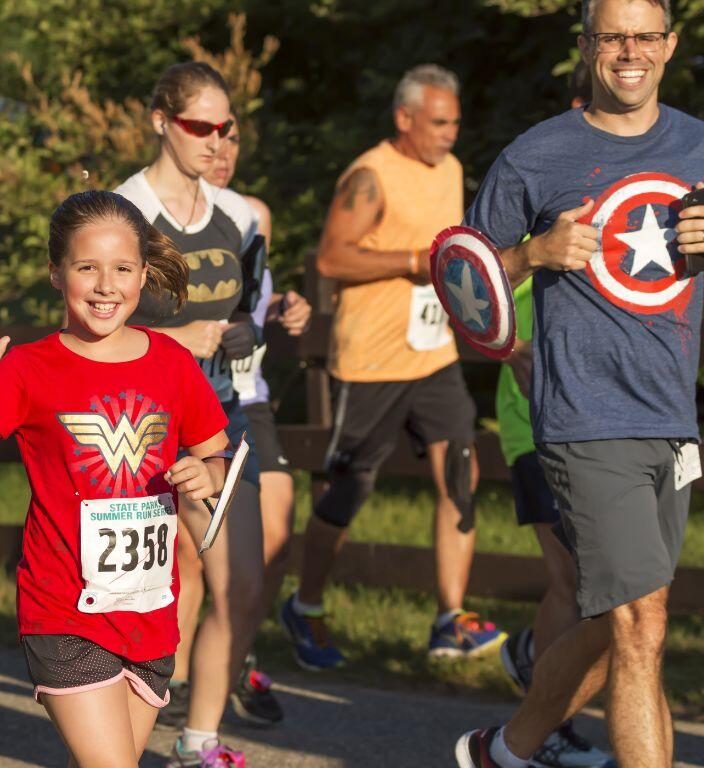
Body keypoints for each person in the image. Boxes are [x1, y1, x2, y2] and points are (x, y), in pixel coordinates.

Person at [456, 1, 703, 766]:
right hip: (583, 411)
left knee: (628, 622)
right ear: (589, 46)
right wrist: (532, 255)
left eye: (645, 36)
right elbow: (461, 278)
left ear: (669, 44)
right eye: (612, 36)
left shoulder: (699, 144)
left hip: (672, 413)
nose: (629, 51)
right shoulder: (539, 153)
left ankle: (507, 748)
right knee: (641, 623)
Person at [0, 189, 232, 768]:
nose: (105, 285)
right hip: (64, 610)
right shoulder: (28, 368)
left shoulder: (172, 363)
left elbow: (218, 460)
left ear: (144, 273)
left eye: (121, 268)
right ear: (55, 272)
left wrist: (206, 473)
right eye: (86, 267)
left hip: (151, 613)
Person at [285, 64, 503, 670]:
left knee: (460, 475)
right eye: (438, 123)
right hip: (373, 362)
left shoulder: (452, 169)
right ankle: (305, 605)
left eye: (455, 122)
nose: (449, 135)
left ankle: (449, 619)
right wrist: (414, 258)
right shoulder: (370, 176)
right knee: (349, 491)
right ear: (403, 119)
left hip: (433, 355)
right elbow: (331, 258)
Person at [114, 62, 264, 765]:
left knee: (242, 584)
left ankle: (199, 741)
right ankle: (117, 724)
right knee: (150, 586)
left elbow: (247, 309)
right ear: (160, 122)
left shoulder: (240, 215)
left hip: (226, 418)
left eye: (224, 127)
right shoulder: (123, 213)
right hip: (142, 426)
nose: (214, 139)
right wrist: (174, 341)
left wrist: (260, 325)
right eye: (199, 126)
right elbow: (86, 323)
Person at [168, 113, 311, 727]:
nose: (221, 151)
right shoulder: (175, 218)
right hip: (199, 396)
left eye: (231, 142)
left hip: (249, 394)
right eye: (211, 140)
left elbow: (251, 294)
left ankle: (230, 654)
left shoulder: (249, 215)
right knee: (194, 553)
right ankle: (176, 680)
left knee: (274, 537)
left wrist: (284, 306)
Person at [491, 63, 613, 768]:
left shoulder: (643, 203)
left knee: (605, 591)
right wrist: (510, 349)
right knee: (576, 583)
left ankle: (534, 660)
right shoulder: (538, 190)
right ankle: (545, 730)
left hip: (608, 420)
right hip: (533, 419)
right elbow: (467, 283)